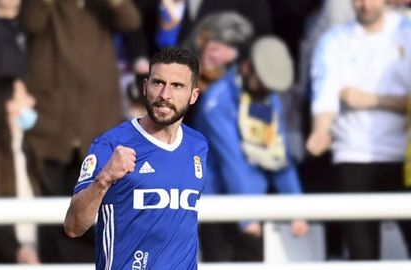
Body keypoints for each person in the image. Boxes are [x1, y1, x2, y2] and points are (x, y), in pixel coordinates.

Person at [18, 0, 140, 261]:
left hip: (97, 128)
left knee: (99, 218)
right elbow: (30, 22)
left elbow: (131, 21)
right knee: (54, 222)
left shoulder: (101, 7)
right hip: (51, 133)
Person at [64, 48, 207, 269]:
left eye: (177, 86)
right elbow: (73, 226)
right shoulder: (111, 145)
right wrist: (104, 179)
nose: (165, 95)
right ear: (145, 86)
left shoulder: (197, 145)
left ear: (194, 95)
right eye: (158, 83)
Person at [307, 0, 411, 260]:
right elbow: (325, 95)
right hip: (353, 156)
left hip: (405, 158)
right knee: (362, 255)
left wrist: (372, 100)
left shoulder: (406, 33)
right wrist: (320, 132)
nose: (365, 5)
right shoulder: (335, 39)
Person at [192, 36, 308, 261]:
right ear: (246, 67)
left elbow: (278, 154)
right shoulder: (217, 102)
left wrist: (297, 209)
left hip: (252, 206)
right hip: (217, 206)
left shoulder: (266, 99)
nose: (267, 91)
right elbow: (231, 161)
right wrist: (246, 216)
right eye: (264, 84)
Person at [0, 77, 42, 264]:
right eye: (24, 95)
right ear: (8, 105)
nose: (32, 101)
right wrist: (16, 252)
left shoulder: (31, 153)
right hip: (3, 260)